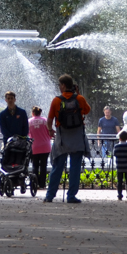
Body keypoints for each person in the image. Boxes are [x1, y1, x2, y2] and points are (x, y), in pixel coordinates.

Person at [44, 74, 91, 203]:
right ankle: (71, 196)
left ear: (64, 85)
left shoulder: (56, 100)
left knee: (57, 167)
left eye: (60, 85)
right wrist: (79, 94)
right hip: (77, 138)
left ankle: (50, 196)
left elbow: (49, 120)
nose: (59, 87)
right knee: (75, 168)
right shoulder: (79, 98)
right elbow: (87, 110)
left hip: (62, 138)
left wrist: (50, 130)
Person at [28, 106, 51, 188]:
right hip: (45, 146)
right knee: (43, 166)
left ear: (32, 113)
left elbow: (27, 134)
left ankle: (35, 183)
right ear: (40, 113)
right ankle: (42, 184)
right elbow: (50, 132)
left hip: (34, 146)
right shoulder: (45, 120)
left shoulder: (29, 122)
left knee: (35, 165)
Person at [113, 130, 127, 201]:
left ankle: (119, 195)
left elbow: (114, 154)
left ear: (119, 138)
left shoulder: (116, 147)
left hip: (119, 167)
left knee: (120, 182)